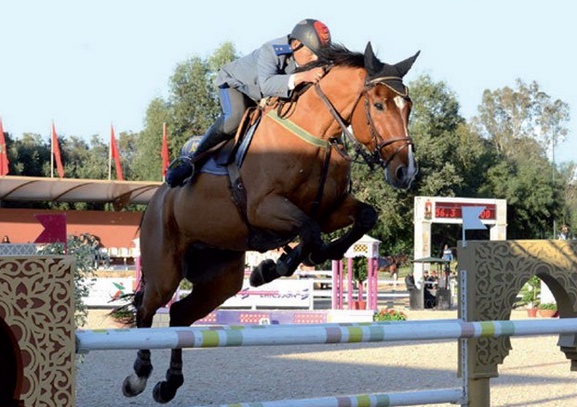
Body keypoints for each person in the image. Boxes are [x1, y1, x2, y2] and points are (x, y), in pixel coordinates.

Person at [166, 18, 332, 187]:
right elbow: (267, 85)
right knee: (235, 117)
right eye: (312, 53)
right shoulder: (272, 50)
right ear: (296, 44)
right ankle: (191, 162)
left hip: (261, 95)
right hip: (234, 84)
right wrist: (303, 76)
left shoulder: (305, 59)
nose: (315, 59)